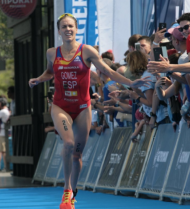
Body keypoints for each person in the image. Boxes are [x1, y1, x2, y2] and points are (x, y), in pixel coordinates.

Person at [28, 13, 150, 209]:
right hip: (60, 106)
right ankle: (66, 191)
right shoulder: (52, 53)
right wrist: (39, 79)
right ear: (59, 31)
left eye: (71, 26)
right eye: (64, 26)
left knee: (77, 154)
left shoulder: (87, 51)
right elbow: (50, 71)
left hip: (83, 107)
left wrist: (131, 83)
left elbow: (108, 71)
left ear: (76, 29)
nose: (68, 29)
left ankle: (73, 191)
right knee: (68, 143)